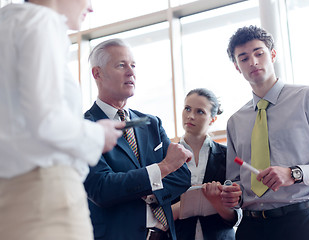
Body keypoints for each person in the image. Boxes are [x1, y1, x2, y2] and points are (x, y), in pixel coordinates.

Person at [0, 1, 126, 240]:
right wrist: (98, 135)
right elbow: (46, 119)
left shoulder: (6, 23)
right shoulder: (41, 21)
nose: (91, 7)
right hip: (47, 194)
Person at [84, 38, 192, 240]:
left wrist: (140, 189)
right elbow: (103, 189)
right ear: (97, 73)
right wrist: (163, 168)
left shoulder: (151, 123)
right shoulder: (85, 128)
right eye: (121, 65)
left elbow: (182, 177)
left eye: (133, 65)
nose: (131, 72)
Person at [221, 25, 309, 240]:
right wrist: (232, 193)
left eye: (259, 53)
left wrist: (294, 173)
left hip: (302, 221)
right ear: (237, 67)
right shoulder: (235, 121)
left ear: (272, 54)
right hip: (251, 227)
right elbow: (235, 180)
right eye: (244, 58)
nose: (253, 62)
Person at [171, 88, 241, 240]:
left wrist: (216, 202)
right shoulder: (167, 155)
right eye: (187, 109)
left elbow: (235, 216)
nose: (190, 116)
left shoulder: (228, 155)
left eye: (200, 111)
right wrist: (180, 207)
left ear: (213, 119)